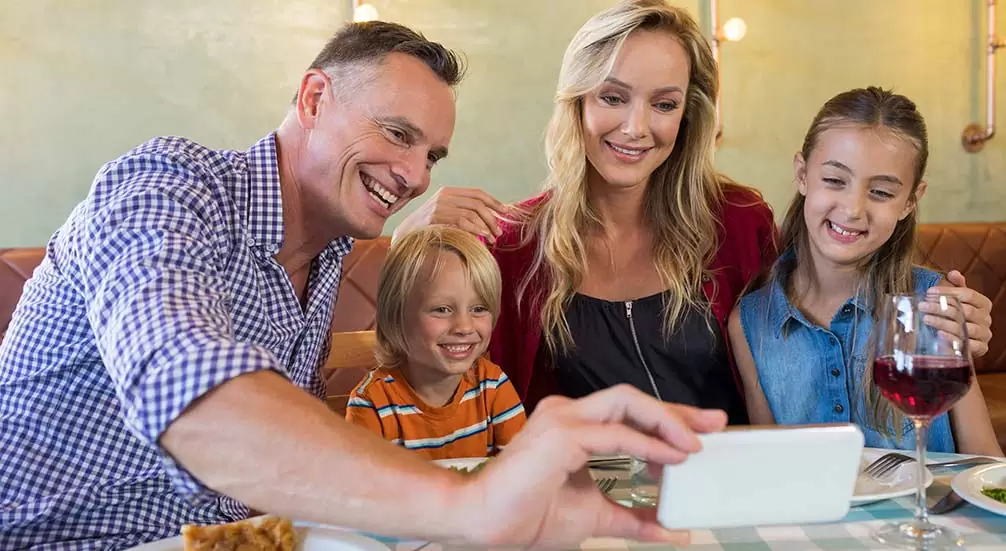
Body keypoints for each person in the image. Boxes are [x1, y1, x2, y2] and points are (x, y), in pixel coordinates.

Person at [0, 20, 722, 550]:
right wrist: (467, 502)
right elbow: (191, 396)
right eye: (397, 134)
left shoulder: (331, 249)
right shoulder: (167, 186)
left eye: (431, 154)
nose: (414, 176)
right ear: (314, 97)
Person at [394, 0, 996, 418]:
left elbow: (819, 311)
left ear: (688, 114)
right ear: (577, 103)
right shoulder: (513, 242)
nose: (636, 127)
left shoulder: (737, 218)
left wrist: (944, 320)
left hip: (727, 489)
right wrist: (410, 242)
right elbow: (449, 374)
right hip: (583, 498)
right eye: (612, 96)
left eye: (663, 103)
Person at [727, 87, 1002, 456]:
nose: (853, 209)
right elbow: (771, 463)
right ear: (803, 174)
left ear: (910, 201)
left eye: (882, 192)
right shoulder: (749, 322)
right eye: (835, 180)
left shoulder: (932, 303)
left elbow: (984, 462)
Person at [346, 226, 526, 459]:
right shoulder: (372, 404)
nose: (464, 327)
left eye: (479, 309)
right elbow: (367, 490)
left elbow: (524, 472)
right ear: (396, 317)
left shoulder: (493, 386)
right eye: (441, 310)